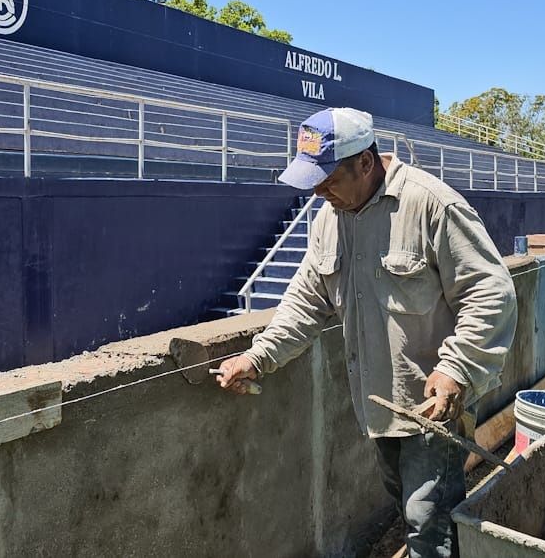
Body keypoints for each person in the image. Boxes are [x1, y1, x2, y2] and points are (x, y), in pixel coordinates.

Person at [216, 107, 516, 558]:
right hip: (378, 407)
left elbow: (491, 291)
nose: (320, 192)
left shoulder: (430, 204)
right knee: (410, 509)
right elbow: (305, 302)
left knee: (427, 523)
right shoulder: (329, 220)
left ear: (365, 162)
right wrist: (257, 357)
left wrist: (456, 369)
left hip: (434, 406)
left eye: (329, 179)